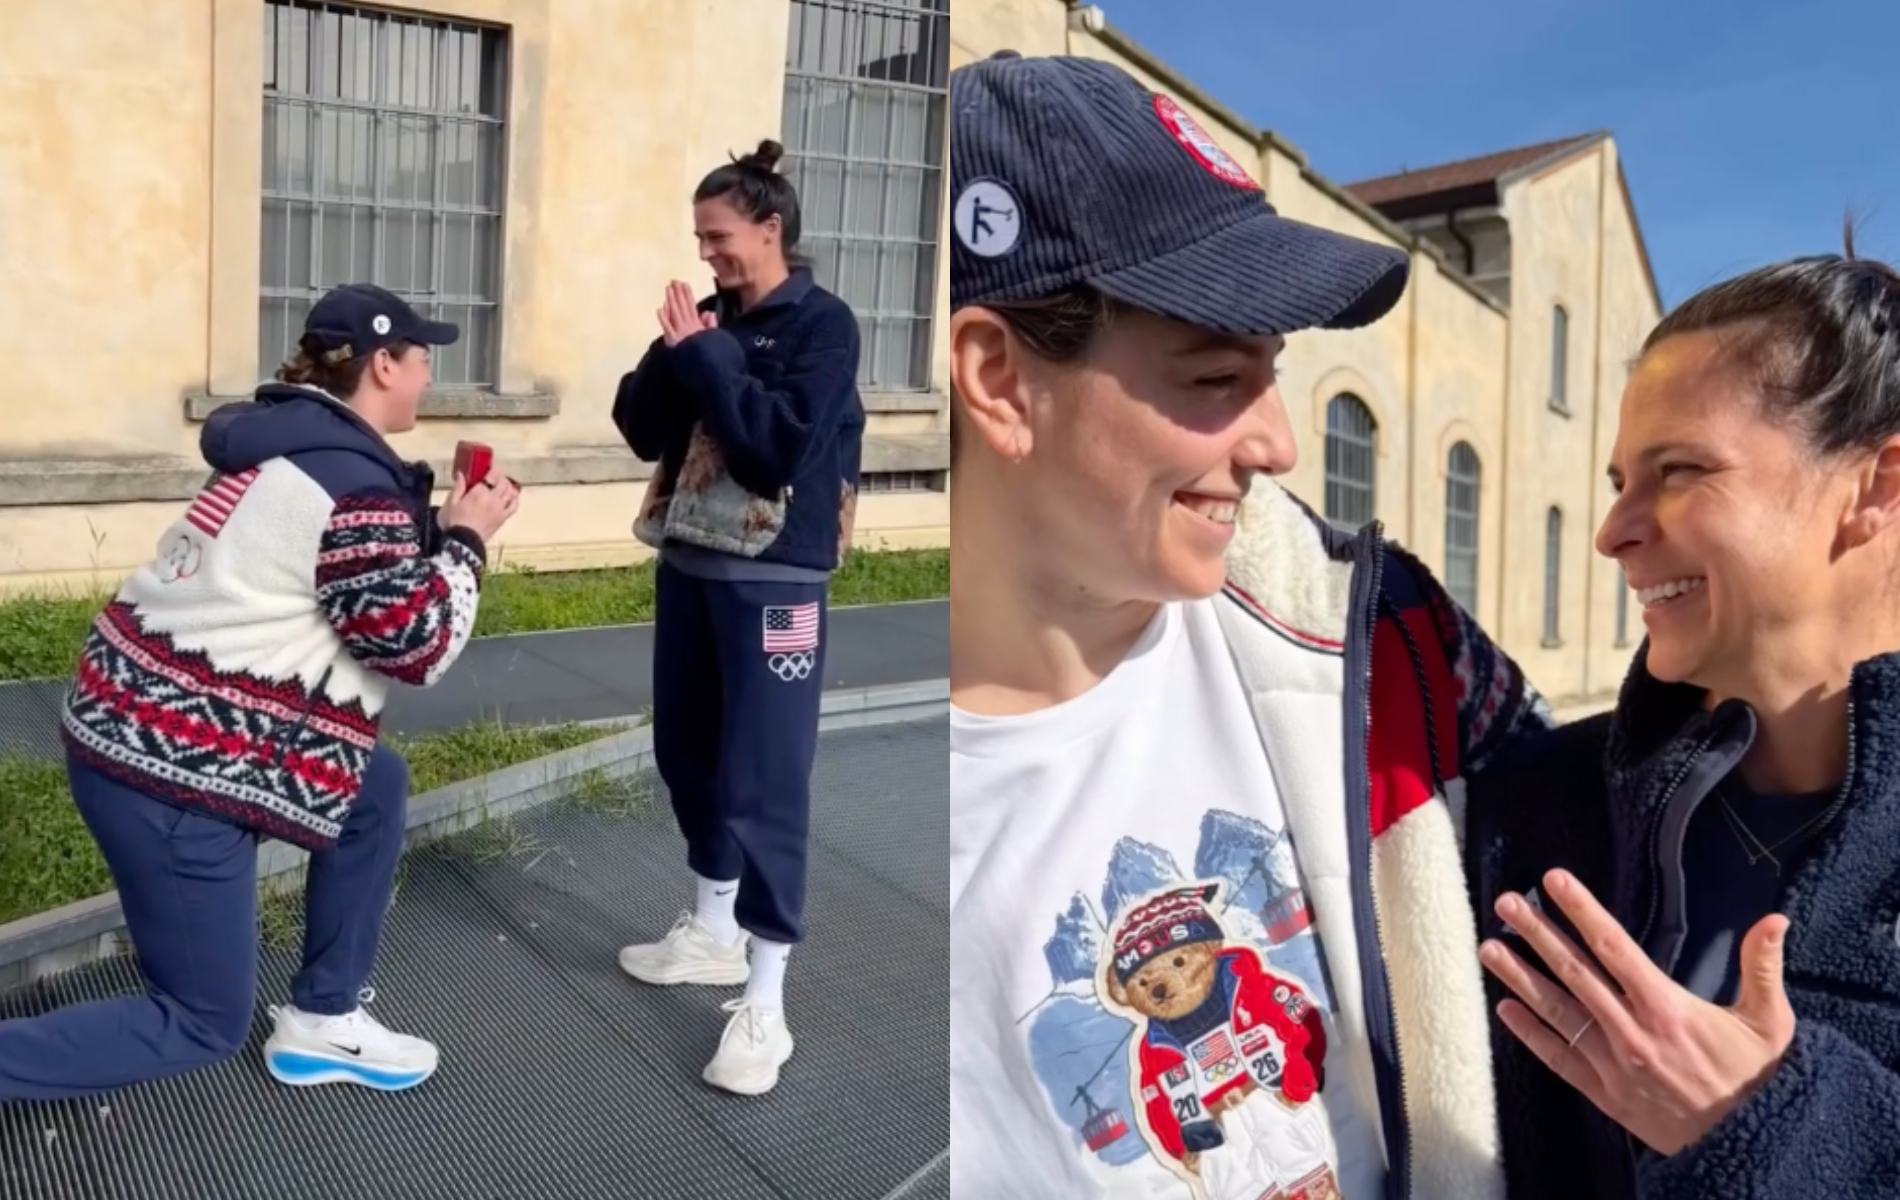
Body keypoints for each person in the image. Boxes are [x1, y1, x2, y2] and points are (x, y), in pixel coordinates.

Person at [947, 53, 1552, 1200]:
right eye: (1218, 376)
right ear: (996, 379)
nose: (1277, 442)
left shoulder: (1381, 642)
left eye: (1273, 374)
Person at [0, 284, 521, 1102]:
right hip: (171, 768)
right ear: (383, 364)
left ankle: (323, 1019)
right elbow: (415, 646)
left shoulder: (290, 445)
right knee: (200, 1020)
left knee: (372, 789)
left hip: (132, 718)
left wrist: (433, 528)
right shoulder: (354, 486)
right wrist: (468, 541)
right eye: (423, 361)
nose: (429, 379)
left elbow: (336, 577)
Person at [1467, 244, 1900, 1199]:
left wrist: (1770, 1128)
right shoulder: (1534, 812)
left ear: (1876, 486)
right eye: (1623, 478)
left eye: (1680, 470)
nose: (1613, 530)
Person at [610, 138, 865, 1097]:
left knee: (764, 781)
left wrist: (709, 356)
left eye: (719, 236)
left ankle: (767, 996)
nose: (707, 252)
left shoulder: (823, 327)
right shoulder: (711, 321)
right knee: (689, 755)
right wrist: (679, 353)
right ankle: (713, 931)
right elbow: (640, 426)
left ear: (771, 229)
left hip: (777, 587)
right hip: (689, 567)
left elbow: (773, 452)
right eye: (699, 238)